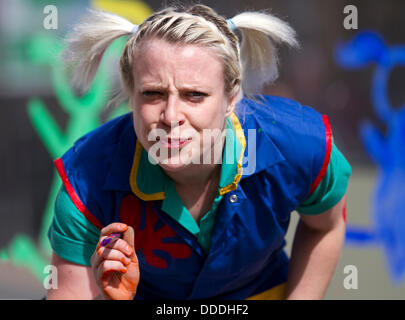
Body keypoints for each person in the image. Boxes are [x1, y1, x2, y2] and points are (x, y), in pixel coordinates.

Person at [45, 4, 351, 300]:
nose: (171, 115)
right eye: (153, 93)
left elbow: (326, 227)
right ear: (130, 93)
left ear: (232, 98)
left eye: (195, 95)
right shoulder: (87, 177)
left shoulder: (299, 144)